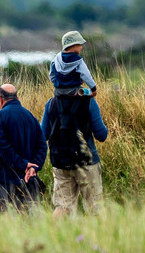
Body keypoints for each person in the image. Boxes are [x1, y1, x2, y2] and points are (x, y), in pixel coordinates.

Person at [41, 87, 108, 217]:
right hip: (87, 163)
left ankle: (57, 236)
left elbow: (43, 134)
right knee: (95, 208)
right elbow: (101, 135)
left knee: (62, 207)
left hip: (61, 163)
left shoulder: (51, 103)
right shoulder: (89, 102)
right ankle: (97, 237)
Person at [0, 83, 46, 212]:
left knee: (0, 219)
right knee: (26, 219)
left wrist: (23, 164)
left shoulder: (0, 116)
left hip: (4, 177)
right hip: (28, 179)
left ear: (0, 99)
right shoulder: (31, 116)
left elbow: (3, 147)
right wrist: (33, 167)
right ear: (17, 98)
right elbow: (42, 144)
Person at [49, 30, 98, 97]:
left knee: (48, 105)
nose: (81, 47)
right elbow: (86, 75)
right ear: (74, 45)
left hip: (58, 93)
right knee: (93, 104)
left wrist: (60, 84)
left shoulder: (56, 59)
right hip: (75, 92)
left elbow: (51, 76)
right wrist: (93, 89)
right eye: (80, 45)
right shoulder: (78, 60)